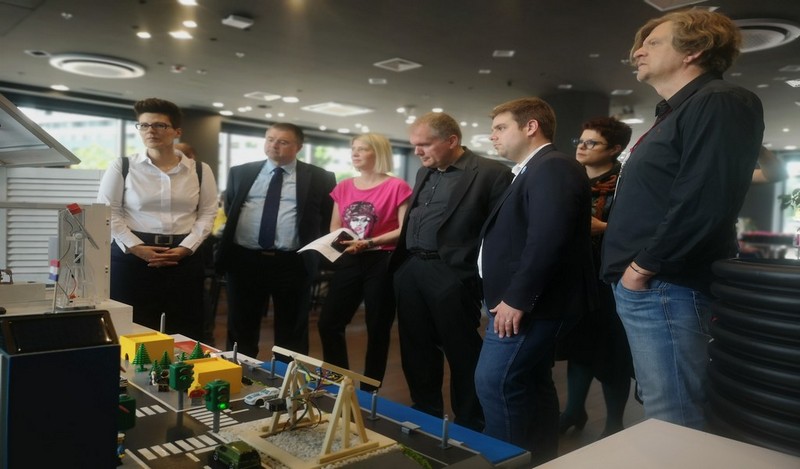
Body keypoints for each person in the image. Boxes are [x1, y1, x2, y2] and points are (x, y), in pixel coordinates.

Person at [601, 9, 764, 430]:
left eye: (652, 42)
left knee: (674, 416)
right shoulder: (676, 111)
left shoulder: (721, 100)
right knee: (665, 409)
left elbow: (706, 201)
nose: (637, 52)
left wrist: (642, 268)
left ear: (695, 49)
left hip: (665, 285)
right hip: (654, 286)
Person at [474, 97, 595, 463]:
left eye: (501, 127)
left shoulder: (553, 166)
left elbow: (548, 238)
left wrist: (518, 298)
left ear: (530, 127)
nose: (493, 136)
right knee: (532, 382)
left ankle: (505, 463)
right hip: (525, 300)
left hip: (531, 304)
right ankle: (541, 460)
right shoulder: (533, 169)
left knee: (495, 382)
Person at [390, 112, 512, 431]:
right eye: (414, 144)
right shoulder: (424, 171)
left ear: (451, 141)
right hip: (412, 268)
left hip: (453, 273)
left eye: (424, 144)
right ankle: (425, 411)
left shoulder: (491, 173)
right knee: (415, 348)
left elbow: (503, 233)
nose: (417, 151)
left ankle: (469, 420)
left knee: (462, 351)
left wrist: (475, 276)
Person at [97, 98, 218, 339]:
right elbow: (108, 211)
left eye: (159, 125)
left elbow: (207, 213)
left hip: (183, 256)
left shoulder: (200, 170)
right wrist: (136, 247)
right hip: (132, 256)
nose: (150, 131)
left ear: (176, 132)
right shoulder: (123, 166)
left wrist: (186, 248)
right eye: (144, 125)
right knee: (130, 327)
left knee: (185, 326)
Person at [215, 123, 336, 359]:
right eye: (270, 139)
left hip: (293, 262)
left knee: (292, 330)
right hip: (245, 260)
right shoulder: (241, 172)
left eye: (283, 141)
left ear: (298, 147)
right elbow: (231, 209)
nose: (274, 145)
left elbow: (327, 218)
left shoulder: (320, 177)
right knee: (241, 326)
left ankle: (286, 376)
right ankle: (239, 371)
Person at [556, 117, 633, 439]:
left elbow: (644, 227)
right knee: (578, 348)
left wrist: (605, 228)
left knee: (613, 354)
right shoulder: (569, 179)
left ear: (615, 149)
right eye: (581, 140)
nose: (582, 147)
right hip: (573, 277)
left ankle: (615, 423)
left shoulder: (628, 182)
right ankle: (574, 411)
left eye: (592, 143)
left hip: (611, 279)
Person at [317, 133, 412, 391]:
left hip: (383, 260)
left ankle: (370, 388)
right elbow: (335, 225)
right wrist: (348, 241)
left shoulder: (397, 186)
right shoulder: (344, 186)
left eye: (362, 149)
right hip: (351, 258)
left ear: (378, 153)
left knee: (377, 327)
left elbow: (404, 229)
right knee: (329, 322)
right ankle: (338, 380)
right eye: (353, 149)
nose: (355, 153)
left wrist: (369, 242)